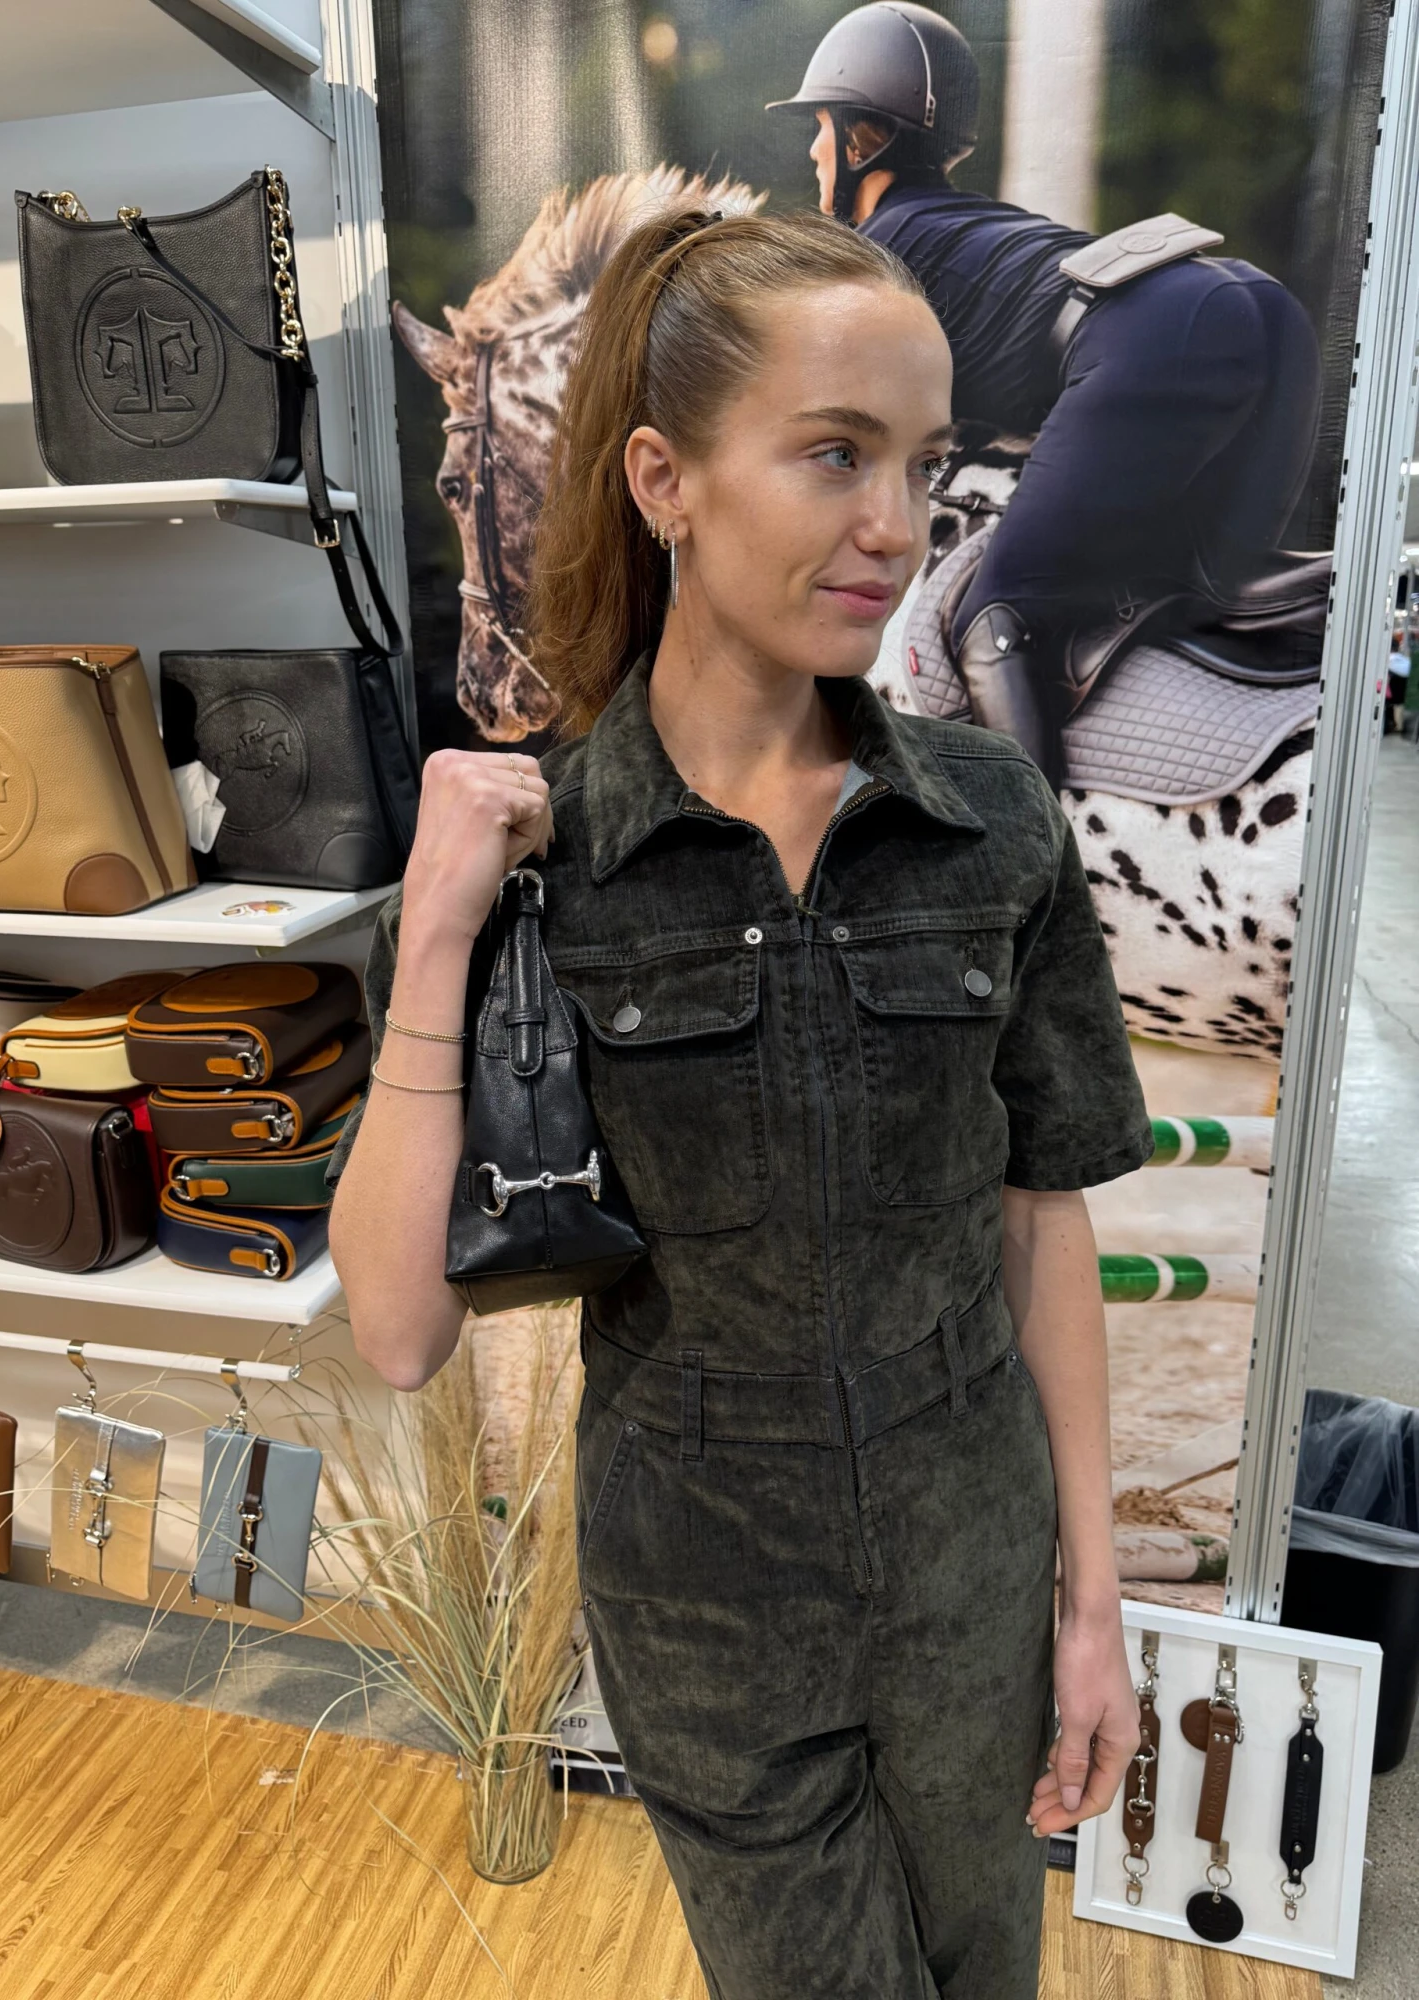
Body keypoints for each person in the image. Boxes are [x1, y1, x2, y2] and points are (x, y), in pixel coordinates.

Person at [329, 206, 1155, 1998]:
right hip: (704, 1607)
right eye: (836, 454)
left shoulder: (991, 824)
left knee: (984, 1978)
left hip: (973, 1559)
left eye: (922, 463)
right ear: (666, 481)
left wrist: (1093, 1606)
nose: (898, 525)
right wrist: (438, 931)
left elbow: (1043, 1226)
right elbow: (396, 1329)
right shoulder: (542, 858)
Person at [768, 2, 1323, 789]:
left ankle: (1029, 852)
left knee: (997, 622)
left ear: (864, 139)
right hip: (1265, 314)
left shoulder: (871, 263)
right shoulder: (972, 225)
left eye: (822, 127)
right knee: (1207, 585)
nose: (813, 150)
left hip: (1162, 339)